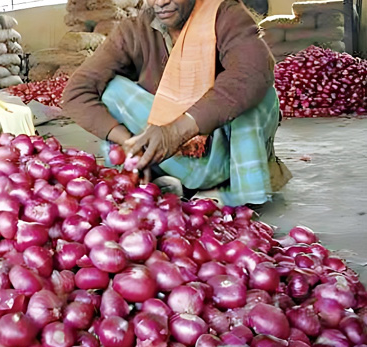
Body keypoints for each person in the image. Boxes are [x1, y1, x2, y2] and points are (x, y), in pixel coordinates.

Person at [61, 0, 291, 206]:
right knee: (112, 90)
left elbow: (252, 72)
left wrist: (177, 131)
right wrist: (130, 143)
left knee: (258, 94)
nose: (161, 2)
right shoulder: (133, 31)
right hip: (168, 157)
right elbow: (76, 91)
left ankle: (241, 197)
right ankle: (168, 180)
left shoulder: (225, 14)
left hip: (226, 152)